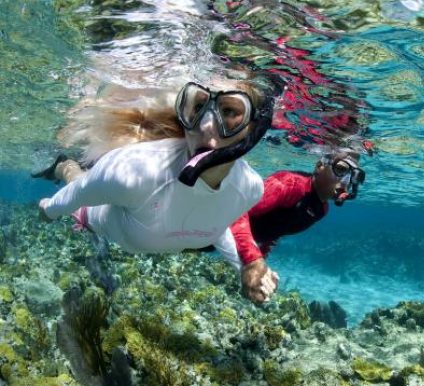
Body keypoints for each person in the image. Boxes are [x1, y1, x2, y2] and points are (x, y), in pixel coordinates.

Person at [34, 76, 281, 304]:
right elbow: (79, 192)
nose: (205, 126)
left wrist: (244, 268)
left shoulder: (250, 189)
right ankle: (64, 165)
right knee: (76, 177)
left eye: (229, 111)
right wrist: (49, 210)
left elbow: (216, 222)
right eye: (197, 108)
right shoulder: (132, 173)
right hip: (101, 216)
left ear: (254, 129)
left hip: (141, 228)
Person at [227, 149, 365, 274]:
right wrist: (253, 261)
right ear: (319, 167)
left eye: (354, 176)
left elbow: (278, 228)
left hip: (230, 241)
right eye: (341, 169)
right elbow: (237, 213)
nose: (346, 182)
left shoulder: (321, 210)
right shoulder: (289, 184)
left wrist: (259, 256)